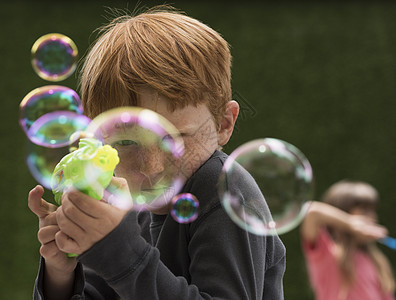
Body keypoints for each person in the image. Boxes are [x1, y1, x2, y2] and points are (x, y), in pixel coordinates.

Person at [28, 6, 286, 299]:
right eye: (127, 143)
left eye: (173, 139)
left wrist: (123, 255)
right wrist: (60, 274)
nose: (151, 167)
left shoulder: (224, 191)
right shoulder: (123, 203)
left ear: (223, 124)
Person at [300, 179, 395, 300]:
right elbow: (311, 212)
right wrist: (351, 223)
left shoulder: (377, 261)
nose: (372, 218)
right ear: (342, 212)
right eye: (364, 210)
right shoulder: (326, 255)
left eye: (373, 211)